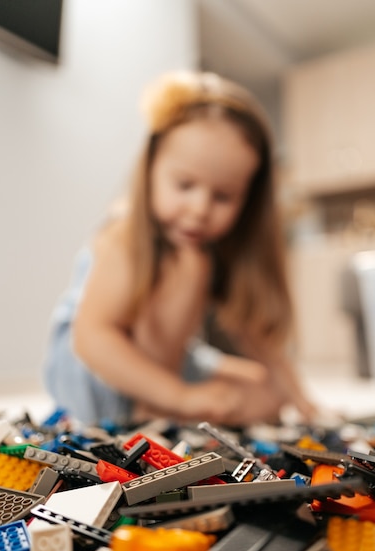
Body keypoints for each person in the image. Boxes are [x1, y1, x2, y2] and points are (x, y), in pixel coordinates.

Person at [43, 70, 316, 429]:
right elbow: (92, 338)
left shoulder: (210, 244)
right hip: (95, 370)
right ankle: (153, 408)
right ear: (151, 169)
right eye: (185, 185)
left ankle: (167, 403)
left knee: (266, 394)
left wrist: (304, 402)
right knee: (191, 265)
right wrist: (180, 397)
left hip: (172, 360)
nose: (200, 209)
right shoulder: (124, 234)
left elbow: (257, 336)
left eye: (223, 196)